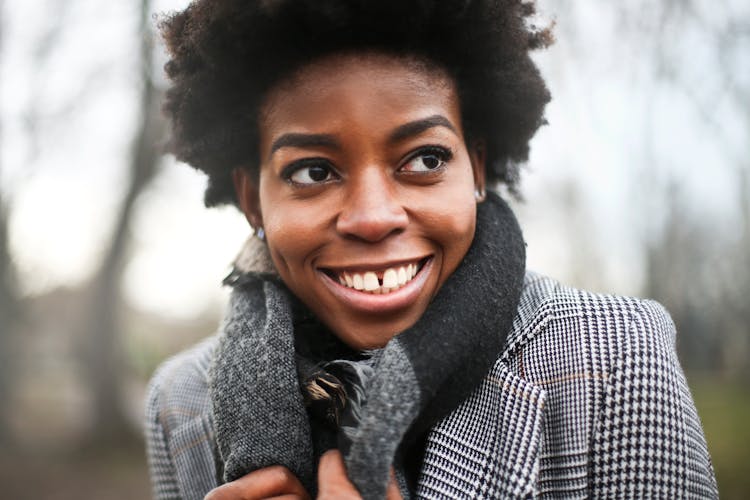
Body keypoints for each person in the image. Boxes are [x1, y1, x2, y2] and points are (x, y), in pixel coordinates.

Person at [144, 1, 718, 499]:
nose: (372, 217)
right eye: (314, 170)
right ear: (252, 200)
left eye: (425, 159)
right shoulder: (180, 401)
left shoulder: (617, 358)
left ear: (477, 167)